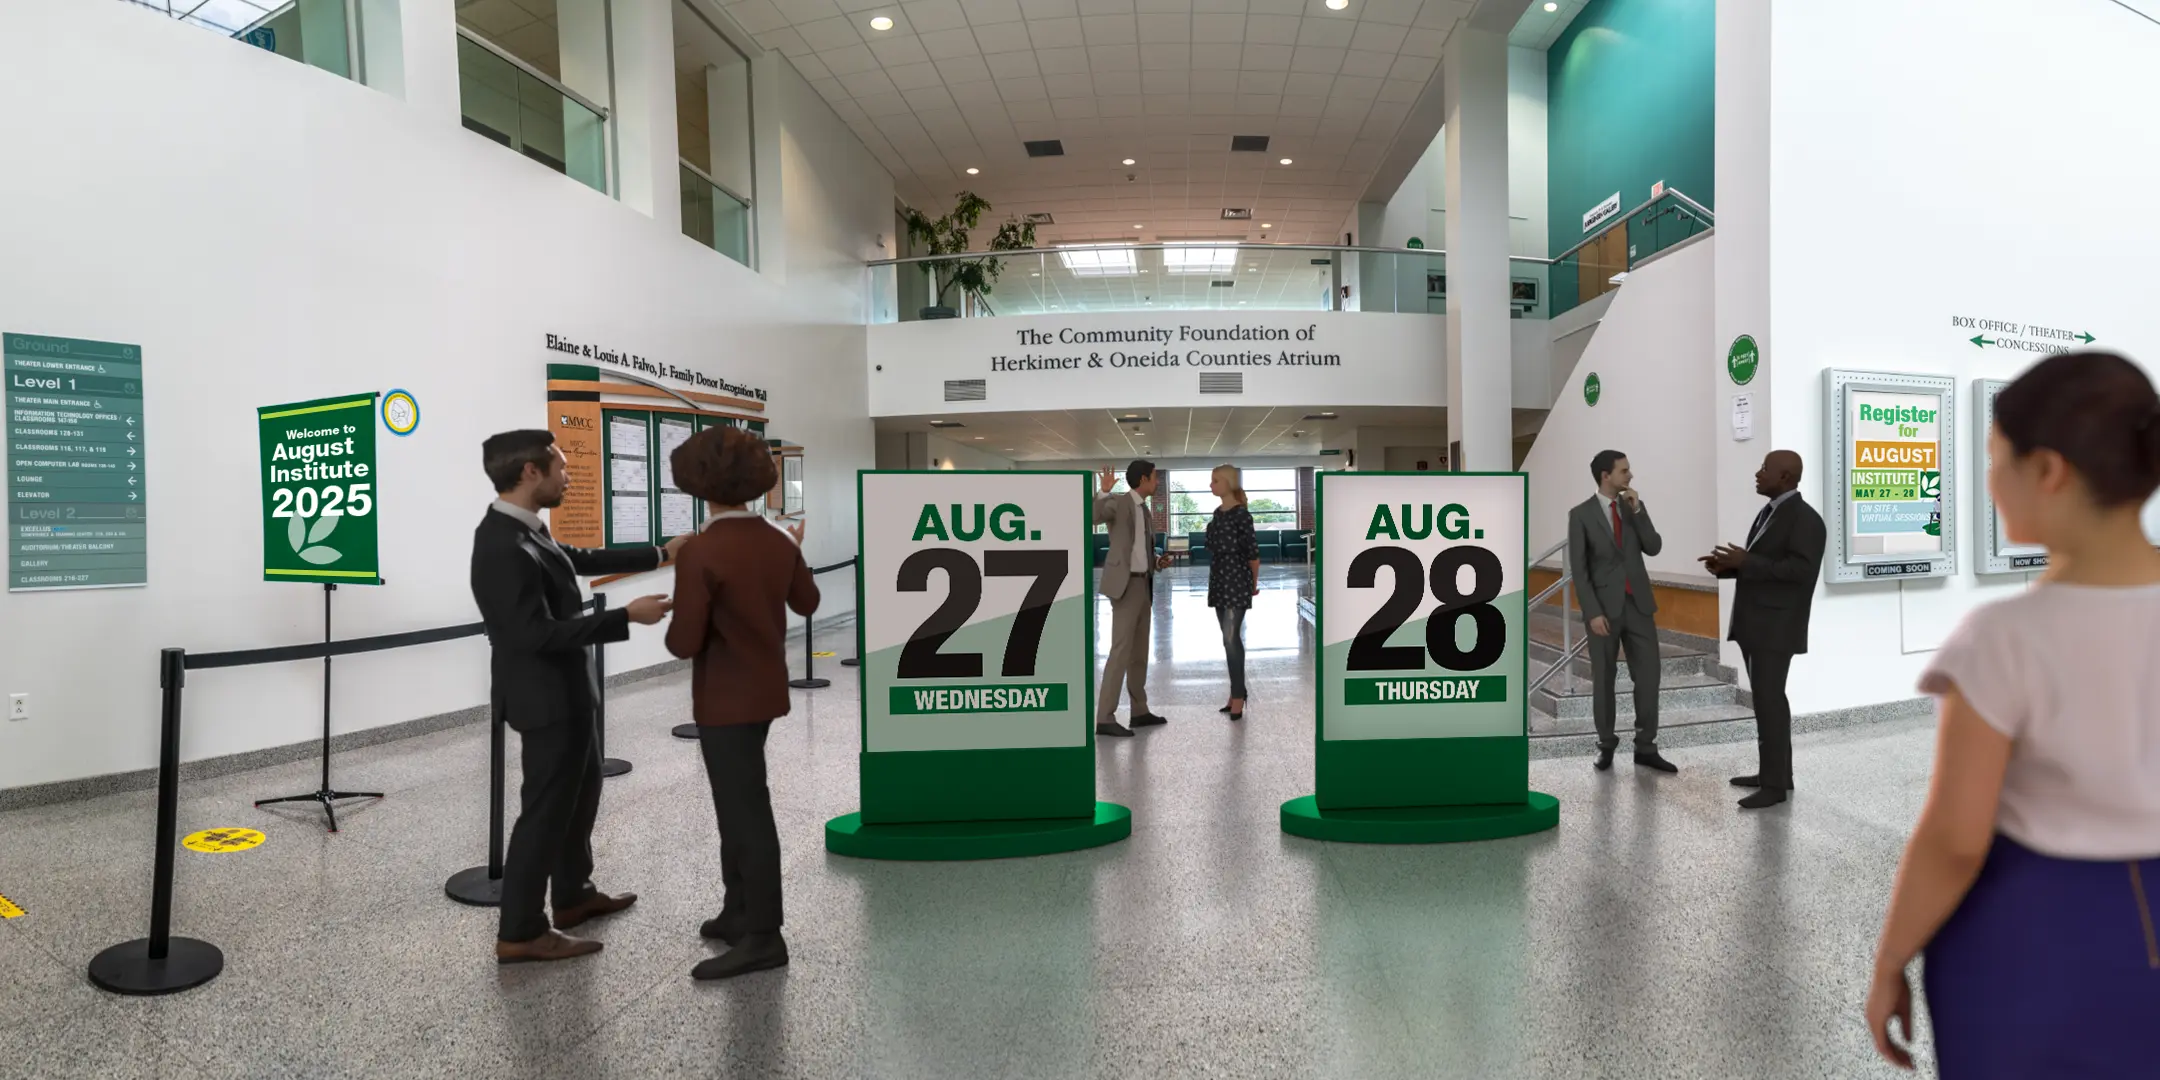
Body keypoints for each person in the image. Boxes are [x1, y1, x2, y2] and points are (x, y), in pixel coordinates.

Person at [1865, 351, 2160, 1075]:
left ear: (2049, 471)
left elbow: (1956, 838)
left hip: (2041, 929)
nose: (1989, 481)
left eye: (1997, 460)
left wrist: (1891, 958)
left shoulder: (2003, 638)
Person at [470, 430, 682, 964]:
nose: (569, 476)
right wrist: (623, 618)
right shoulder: (499, 544)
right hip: (545, 702)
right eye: (560, 467)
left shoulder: (527, 531)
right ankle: (520, 931)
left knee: (580, 797)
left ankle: (572, 896)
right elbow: (530, 635)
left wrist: (660, 552)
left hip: (569, 693)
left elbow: (579, 559)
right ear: (529, 473)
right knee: (543, 813)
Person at [664, 425, 817, 981]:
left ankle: (763, 935)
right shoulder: (778, 539)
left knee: (745, 812)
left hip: (723, 699)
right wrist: (792, 553)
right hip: (765, 693)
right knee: (740, 804)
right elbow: (808, 601)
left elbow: (682, 642)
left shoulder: (701, 550)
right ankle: (738, 910)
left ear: (700, 484)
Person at [1700, 449, 1825, 809]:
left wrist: (1747, 561)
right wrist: (1727, 567)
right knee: (1766, 702)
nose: (1757, 473)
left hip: (1776, 627)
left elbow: (1800, 572)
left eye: (1765, 469)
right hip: (1757, 624)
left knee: (1770, 702)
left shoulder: (1805, 519)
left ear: (1785, 477)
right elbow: (1769, 566)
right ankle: (1774, 773)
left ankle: (1774, 785)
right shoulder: (1771, 513)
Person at [1566, 450, 1677, 773]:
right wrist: (1591, 612)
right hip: (1602, 610)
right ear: (1606, 475)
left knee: (1649, 677)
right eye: (1624, 471)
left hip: (1639, 605)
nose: (1630, 476)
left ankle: (1646, 746)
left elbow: (1653, 546)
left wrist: (1639, 511)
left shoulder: (1633, 508)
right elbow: (1580, 569)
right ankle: (1606, 745)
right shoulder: (1581, 515)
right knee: (1604, 679)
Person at [1094, 460, 1174, 737]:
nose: (1157, 482)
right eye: (1154, 478)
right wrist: (1103, 492)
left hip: (1144, 582)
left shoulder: (1145, 509)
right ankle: (1104, 717)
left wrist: (1156, 562)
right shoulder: (1120, 502)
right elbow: (1095, 516)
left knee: (1139, 652)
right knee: (1120, 652)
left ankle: (1139, 711)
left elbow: (1139, 549)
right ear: (1143, 479)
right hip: (1125, 586)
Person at [1205, 464, 1261, 721]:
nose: (1211, 485)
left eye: (1215, 481)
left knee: (1230, 638)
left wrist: (1253, 583)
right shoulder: (1218, 514)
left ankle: (1238, 695)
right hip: (1219, 580)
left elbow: (1252, 553)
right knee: (1229, 638)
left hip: (1236, 581)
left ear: (1228, 483)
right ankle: (1236, 691)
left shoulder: (1242, 516)